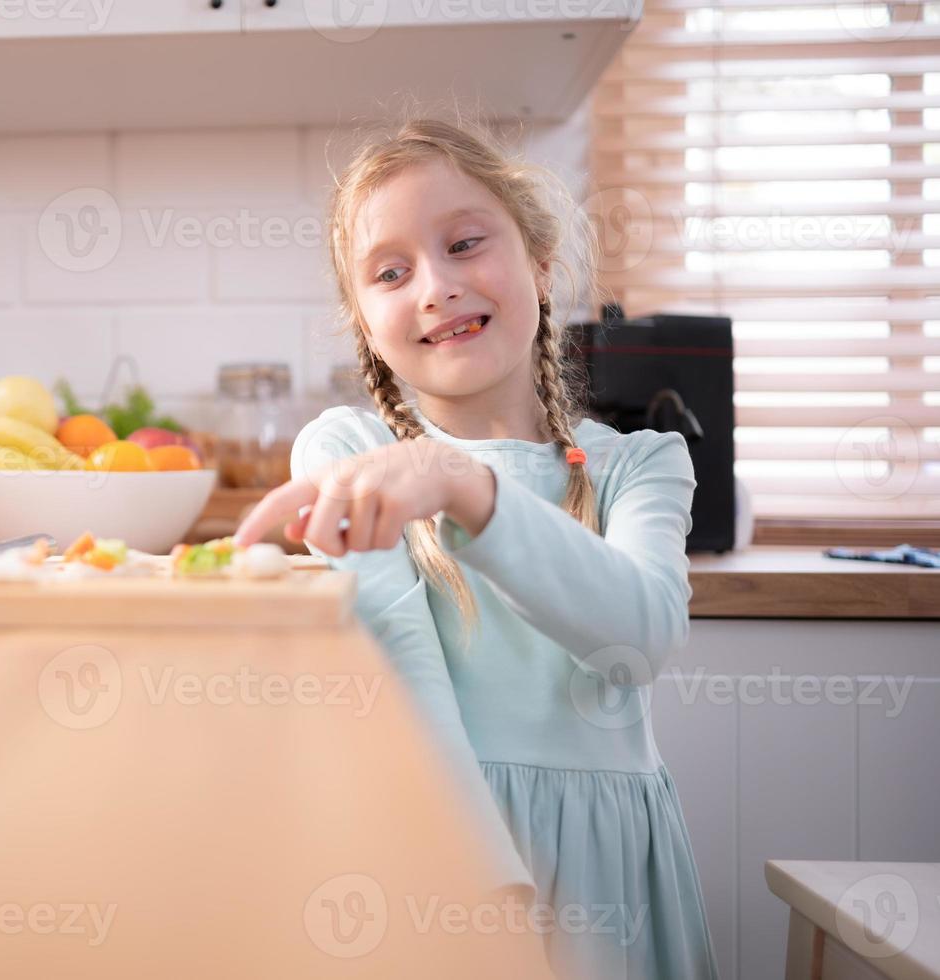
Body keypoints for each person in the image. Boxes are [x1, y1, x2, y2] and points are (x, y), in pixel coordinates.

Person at [234, 116, 719, 980]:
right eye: (391, 271)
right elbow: (402, 676)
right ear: (366, 324)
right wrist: (481, 888)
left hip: (613, 873)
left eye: (464, 243)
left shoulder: (641, 462)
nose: (435, 286)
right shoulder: (347, 452)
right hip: (438, 847)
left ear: (538, 259)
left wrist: (464, 486)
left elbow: (640, 637)